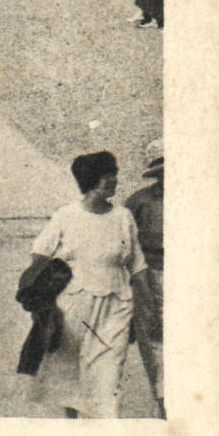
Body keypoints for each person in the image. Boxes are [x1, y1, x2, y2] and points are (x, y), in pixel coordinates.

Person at [27, 151, 154, 418]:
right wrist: (40, 299)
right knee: (70, 374)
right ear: (94, 180)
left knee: (109, 374)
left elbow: (138, 265)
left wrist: (149, 304)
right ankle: (74, 433)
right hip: (74, 307)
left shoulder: (123, 217)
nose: (116, 180)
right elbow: (40, 254)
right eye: (110, 175)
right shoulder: (66, 216)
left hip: (116, 307)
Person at [123, 138, 164, 417]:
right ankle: (162, 399)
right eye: (163, 173)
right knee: (152, 339)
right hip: (148, 275)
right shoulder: (139, 202)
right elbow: (123, 243)